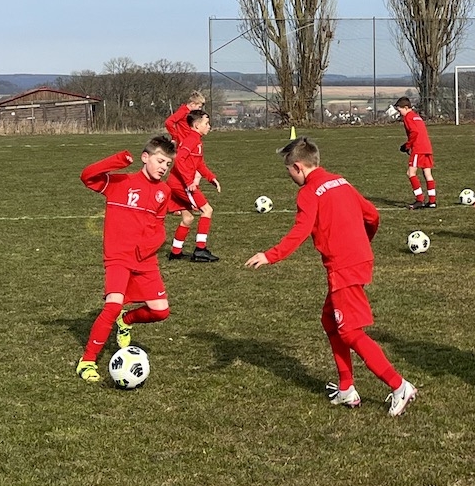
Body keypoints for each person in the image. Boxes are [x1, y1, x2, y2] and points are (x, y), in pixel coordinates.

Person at [246, 137, 417, 416]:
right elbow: (372, 215)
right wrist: (363, 242)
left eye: (288, 170)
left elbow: (300, 232)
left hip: (343, 265)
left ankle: (399, 386)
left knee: (350, 331)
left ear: (298, 167)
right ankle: (346, 388)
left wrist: (270, 255)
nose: (289, 176)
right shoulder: (340, 181)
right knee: (330, 320)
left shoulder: (308, 193)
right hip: (358, 259)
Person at [75, 135, 177, 383]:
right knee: (113, 305)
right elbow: (87, 176)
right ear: (145, 157)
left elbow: (159, 225)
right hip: (118, 257)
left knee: (161, 312)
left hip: (146, 260)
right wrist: (118, 160)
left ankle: (126, 320)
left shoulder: (164, 191)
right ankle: (87, 361)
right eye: (160, 161)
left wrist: (150, 246)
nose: (163, 167)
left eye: (168, 164)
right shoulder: (120, 182)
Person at [166, 109, 221, 262]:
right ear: (197, 125)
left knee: (188, 218)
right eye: (206, 123)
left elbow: (199, 164)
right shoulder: (191, 140)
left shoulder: (196, 140)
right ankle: (200, 250)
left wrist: (211, 178)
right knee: (207, 210)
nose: (209, 126)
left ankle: (175, 252)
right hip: (181, 184)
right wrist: (189, 182)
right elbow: (179, 160)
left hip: (177, 183)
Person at [394, 96, 436, 209]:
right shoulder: (417, 116)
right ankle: (432, 201)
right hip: (427, 148)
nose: (399, 113)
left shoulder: (408, 117)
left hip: (419, 148)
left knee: (410, 173)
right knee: (427, 174)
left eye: (400, 110)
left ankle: (419, 199)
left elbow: (414, 132)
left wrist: (407, 146)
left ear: (406, 108)